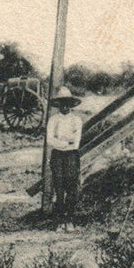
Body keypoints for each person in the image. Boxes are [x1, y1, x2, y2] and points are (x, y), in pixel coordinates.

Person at [45, 86, 83, 232]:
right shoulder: (53, 120)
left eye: (67, 103)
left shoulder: (76, 120)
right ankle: (60, 221)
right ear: (58, 104)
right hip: (58, 156)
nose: (65, 106)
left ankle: (70, 219)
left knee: (71, 187)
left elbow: (76, 142)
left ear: (72, 104)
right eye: (62, 103)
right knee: (59, 187)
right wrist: (65, 142)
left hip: (72, 155)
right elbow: (50, 140)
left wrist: (62, 141)